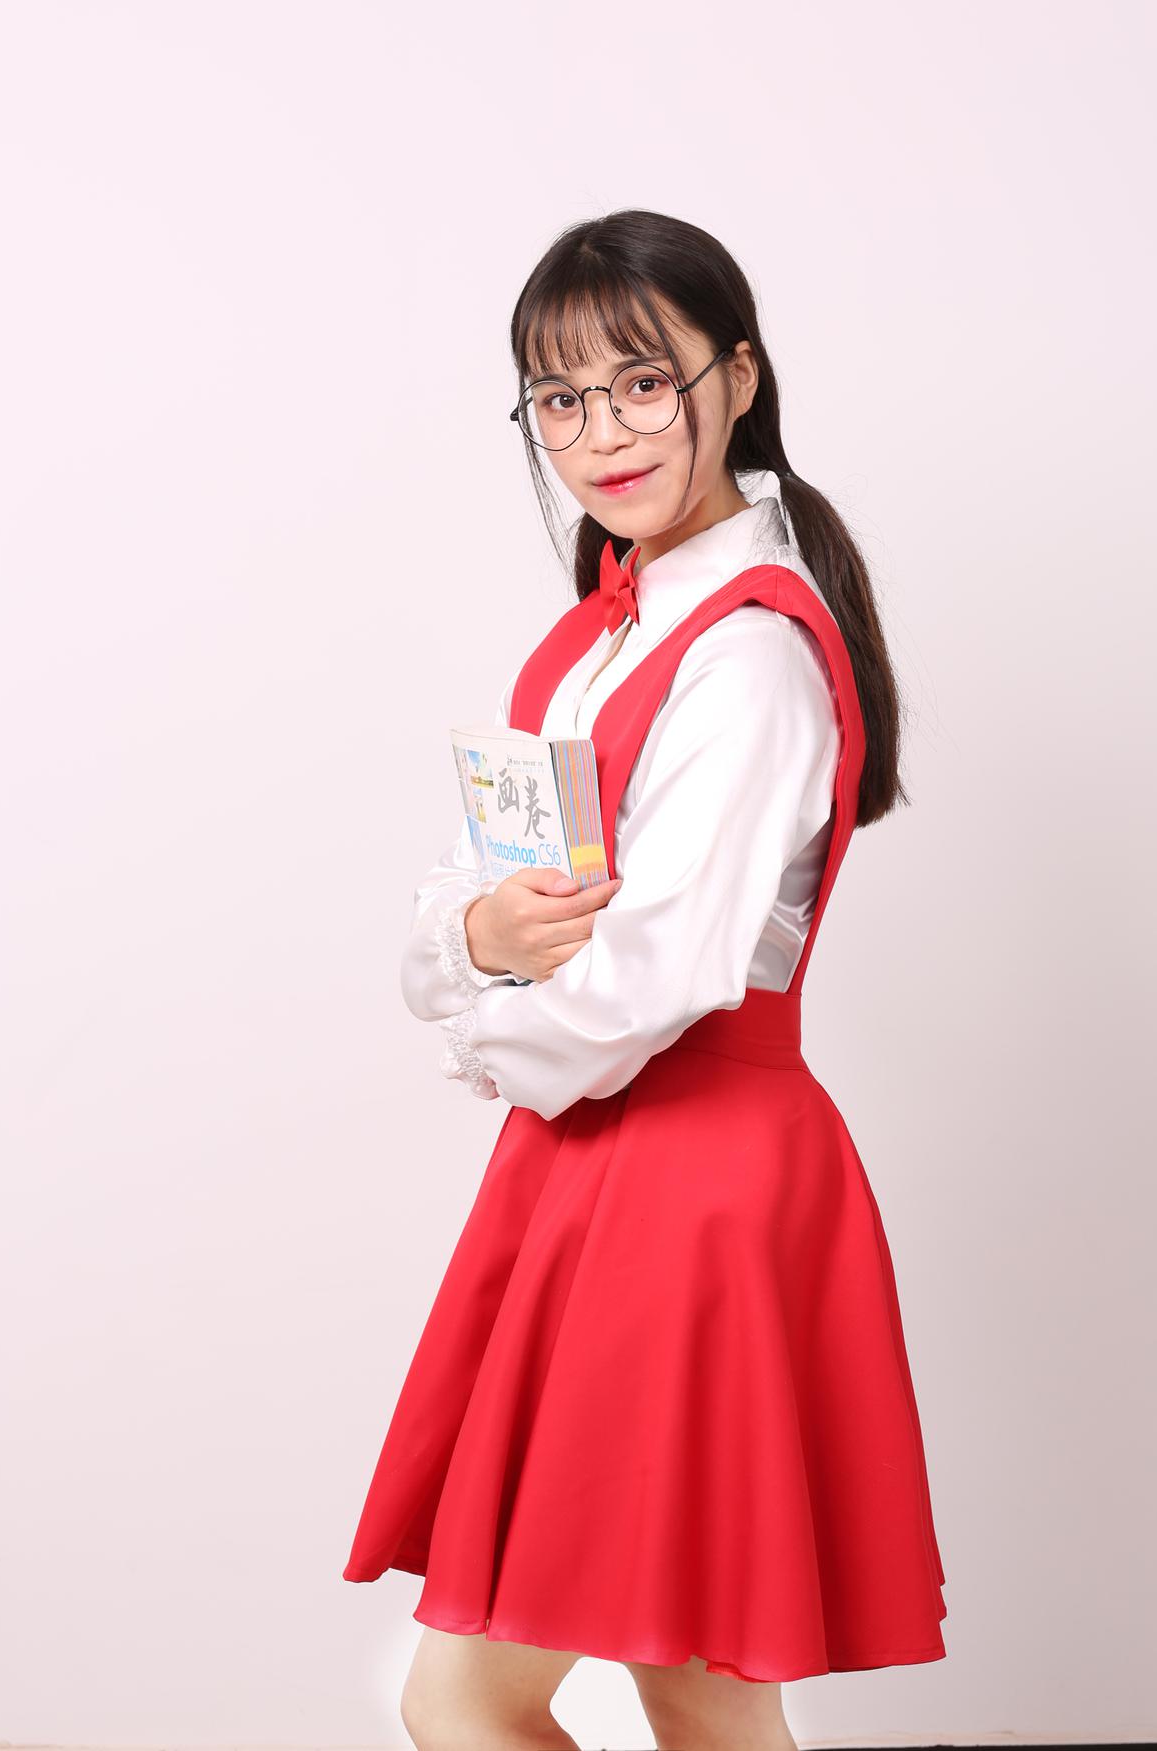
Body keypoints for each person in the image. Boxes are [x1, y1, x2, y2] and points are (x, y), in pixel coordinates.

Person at [343, 209, 947, 1751]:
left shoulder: (750, 657)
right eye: (561, 399)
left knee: (474, 1697)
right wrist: (481, 947)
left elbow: (645, 982)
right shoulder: (593, 641)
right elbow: (465, 906)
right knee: (700, 1699)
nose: (601, 434)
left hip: (689, 1183)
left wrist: (479, 1013)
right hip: (598, 1170)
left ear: (736, 377)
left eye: (640, 383)